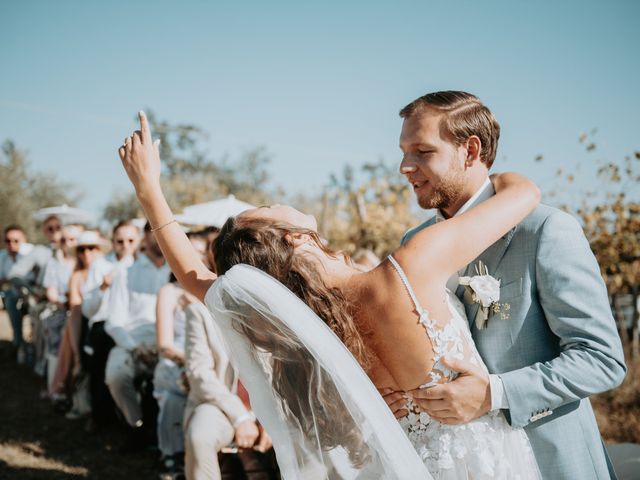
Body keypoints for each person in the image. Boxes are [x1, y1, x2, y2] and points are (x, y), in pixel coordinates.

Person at [117, 111, 547, 479]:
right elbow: (524, 194)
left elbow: (196, 279)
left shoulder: (311, 331)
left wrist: (150, 191)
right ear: (295, 239)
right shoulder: (410, 266)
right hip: (482, 462)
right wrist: (489, 168)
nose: (275, 200)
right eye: (267, 208)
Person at [387, 91, 625, 480]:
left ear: (470, 150)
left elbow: (602, 359)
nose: (404, 166)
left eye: (422, 151)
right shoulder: (413, 244)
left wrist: (493, 394)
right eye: (403, 151)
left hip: (549, 464)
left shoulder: (545, 231)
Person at [104, 220, 171, 448]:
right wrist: (134, 348)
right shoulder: (126, 274)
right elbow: (114, 321)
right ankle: (136, 425)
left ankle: (166, 433)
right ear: (146, 236)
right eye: (156, 233)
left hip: (170, 343)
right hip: (132, 341)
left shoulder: (176, 272)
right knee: (115, 375)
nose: (162, 237)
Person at [153, 232, 207, 473]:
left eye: (199, 252)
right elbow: (164, 345)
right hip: (177, 360)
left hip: (210, 363)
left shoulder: (214, 290)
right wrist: (190, 362)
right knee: (176, 388)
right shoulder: (169, 292)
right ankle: (173, 453)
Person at [81, 220, 139, 430]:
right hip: (104, 322)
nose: (125, 246)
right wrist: (103, 287)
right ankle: (102, 415)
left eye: (131, 240)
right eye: (120, 241)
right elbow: (88, 310)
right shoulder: (101, 266)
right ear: (113, 242)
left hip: (133, 324)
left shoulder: (141, 266)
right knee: (103, 346)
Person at [49, 231, 104, 417]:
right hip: (80, 322)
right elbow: (76, 309)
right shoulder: (77, 276)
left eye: (91, 248)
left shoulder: (108, 270)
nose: (86, 253)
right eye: (82, 249)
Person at [0, 224, 33, 353]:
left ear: (24, 240)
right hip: (13, 295)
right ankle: (18, 342)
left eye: (16, 241)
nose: (11, 244)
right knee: (10, 299)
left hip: (32, 294)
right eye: (8, 241)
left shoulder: (31, 253)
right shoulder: (3, 257)